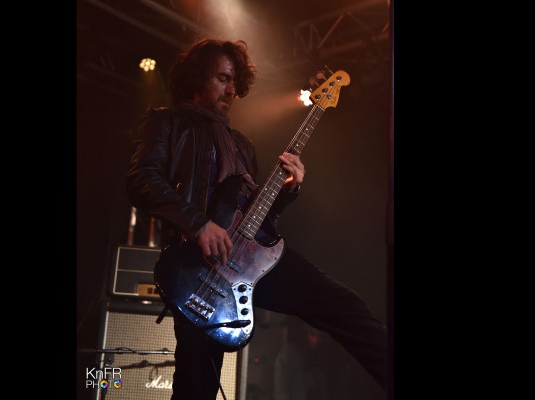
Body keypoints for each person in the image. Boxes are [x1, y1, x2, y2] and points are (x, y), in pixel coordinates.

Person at [126, 38, 387, 400]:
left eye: (235, 82)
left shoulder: (242, 145)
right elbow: (142, 180)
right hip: (198, 269)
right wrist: (198, 224)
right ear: (197, 78)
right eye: (222, 78)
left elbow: (258, 216)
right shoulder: (167, 122)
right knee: (196, 385)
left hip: (251, 258)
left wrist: (289, 188)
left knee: (344, 306)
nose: (232, 90)